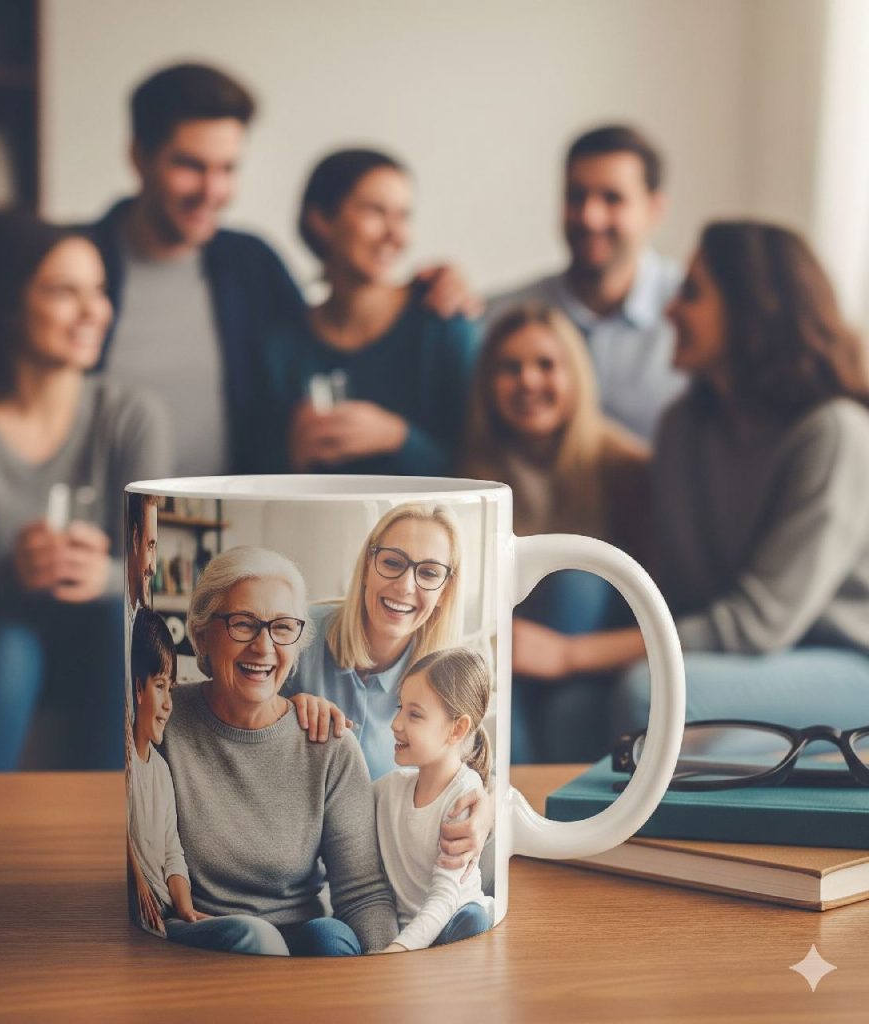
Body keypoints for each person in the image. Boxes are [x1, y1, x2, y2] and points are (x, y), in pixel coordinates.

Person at [0, 64, 478, 481]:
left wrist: (427, 286)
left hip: (227, 547)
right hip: (102, 542)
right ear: (138, 157)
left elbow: (323, 341)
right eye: (191, 166)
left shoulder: (250, 264)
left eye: (228, 169)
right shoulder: (74, 263)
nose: (213, 191)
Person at [514, 221, 869, 739]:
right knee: (572, 711)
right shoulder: (683, 426)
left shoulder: (833, 433)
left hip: (838, 659)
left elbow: (756, 626)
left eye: (692, 292)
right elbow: (677, 591)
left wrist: (570, 655)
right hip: (734, 652)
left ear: (753, 308)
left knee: (645, 696)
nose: (669, 310)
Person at [0, 219, 171, 771]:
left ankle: (107, 842)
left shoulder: (133, 417)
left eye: (98, 291)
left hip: (92, 646)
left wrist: (106, 579)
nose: (93, 311)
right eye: (65, 292)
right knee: (6, 646)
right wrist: (11, 575)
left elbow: (160, 576)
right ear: (9, 306)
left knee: (106, 629)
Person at [160, 546, 398, 956]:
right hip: (202, 947)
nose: (263, 646)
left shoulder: (330, 744)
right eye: (243, 623)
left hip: (302, 948)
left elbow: (362, 893)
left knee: (330, 936)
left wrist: (386, 975)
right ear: (201, 635)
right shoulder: (162, 721)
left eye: (282, 627)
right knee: (260, 940)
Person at [463, 303, 649, 761]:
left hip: (593, 654)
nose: (528, 380)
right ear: (488, 384)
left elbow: (658, 605)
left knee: (577, 577)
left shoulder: (627, 468)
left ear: (576, 376)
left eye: (546, 365)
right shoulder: (471, 473)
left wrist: (565, 653)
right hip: (508, 661)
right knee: (501, 700)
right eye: (510, 368)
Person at [285, 503, 492, 874]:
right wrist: (282, 714)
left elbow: (476, 777)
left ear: (446, 591)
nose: (406, 585)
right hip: (299, 872)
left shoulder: (450, 678)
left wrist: (488, 812)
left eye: (429, 572)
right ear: (368, 565)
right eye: (393, 563)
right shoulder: (297, 634)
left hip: (392, 879)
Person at [257, 149, 477, 475]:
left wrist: (398, 439)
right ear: (321, 220)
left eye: (404, 216)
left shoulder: (441, 324)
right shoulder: (283, 345)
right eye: (376, 211)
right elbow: (252, 468)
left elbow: (487, 467)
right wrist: (289, 456)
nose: (396, 235)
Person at [485, 125, 685, 442]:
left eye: (612, 198)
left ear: (654, 209)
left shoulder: (694, 315)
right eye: (576, 197)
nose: (590, 217)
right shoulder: (500, 319)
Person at [375, 648, 494, 952]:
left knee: (472, 918)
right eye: (400, 708)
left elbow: (444, 897)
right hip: (407, 930)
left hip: (450, 917)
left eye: (414, 714)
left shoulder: (463, 797)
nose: (395, 724)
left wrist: (399, 949)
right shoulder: (390, 789)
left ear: (458, 728)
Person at [127, 608, 209, 939]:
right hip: (144, 915)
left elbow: (173, 851)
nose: (168, 704)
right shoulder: (124, 762)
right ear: (137, 690)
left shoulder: (161, 771)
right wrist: (139, 881)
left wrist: (186, 908)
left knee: (248, 933)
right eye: (160, 686)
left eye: (171, 690)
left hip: (168, 913)